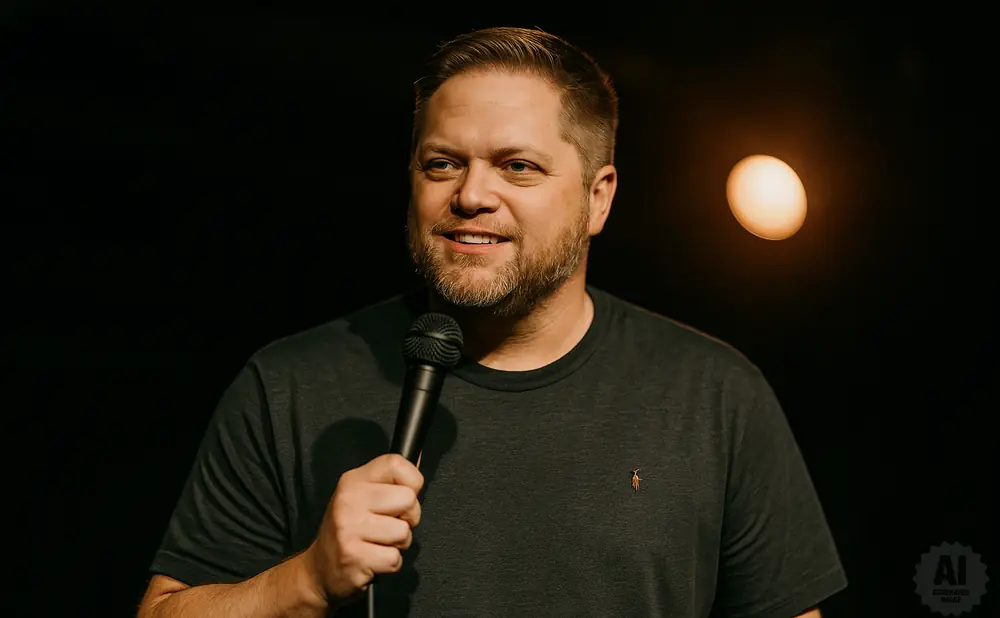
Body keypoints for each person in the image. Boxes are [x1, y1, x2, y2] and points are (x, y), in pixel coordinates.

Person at [137, 26, 848, 618]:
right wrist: (306, 581)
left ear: (598, 199)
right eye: (442, 164)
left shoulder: (714, 395)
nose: (472, 194)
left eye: (518, 167)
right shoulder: (291, 384)